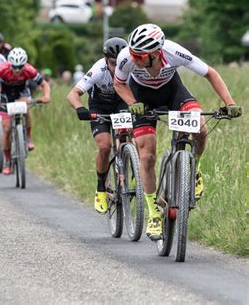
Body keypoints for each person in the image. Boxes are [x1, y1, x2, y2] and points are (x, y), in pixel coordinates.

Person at [113, 23, 243, 240]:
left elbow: (210, 73)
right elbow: (119, 84)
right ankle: (154, 213)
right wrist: (132, 102)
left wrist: (229, 102)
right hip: (141, 97)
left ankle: (195, 169)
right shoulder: (126, 58)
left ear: (155, 53)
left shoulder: (174, 52)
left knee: (200, 128)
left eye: (140, 56)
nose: (134, 59)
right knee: (147, 154)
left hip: (173, 92)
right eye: (133, 54)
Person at [66, 38, 128, 214]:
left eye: (120, 63)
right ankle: (101, 187)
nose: (117, 68)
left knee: (127, 135)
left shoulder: (130, 66)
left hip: (121, 103)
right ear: (105, 59)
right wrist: (80, 108)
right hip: (99, 106)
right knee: (104, 146)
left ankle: (129, 162)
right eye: (113, 63)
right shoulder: (99, 69)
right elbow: (72, 94)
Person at [0, 47, 51, 174]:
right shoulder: (2, 69)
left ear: (24, 64)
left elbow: (44, 84)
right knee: (7, 129)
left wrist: (46, 96)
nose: (17, 70)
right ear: (10, 64)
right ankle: (7, 161)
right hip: (5, 96)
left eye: (20, 67)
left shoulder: (30, 70)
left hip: (21, 93)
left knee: (26, 108)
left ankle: (28, 138)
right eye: (14, 67)